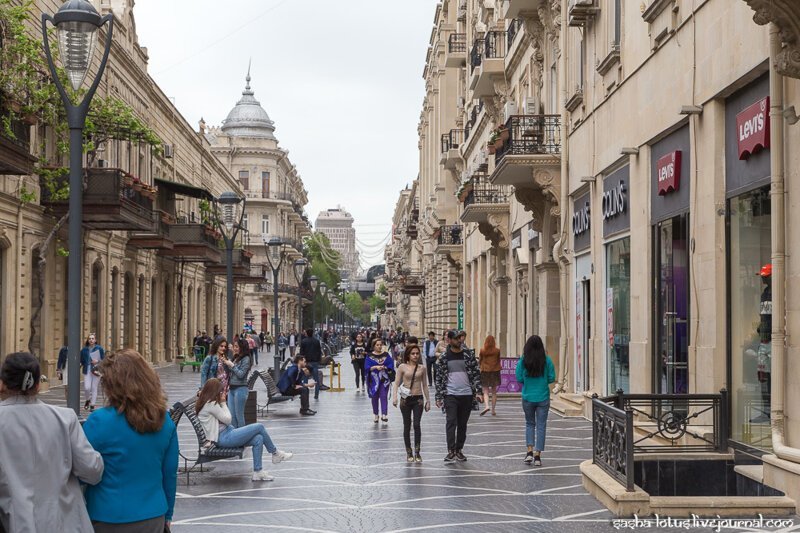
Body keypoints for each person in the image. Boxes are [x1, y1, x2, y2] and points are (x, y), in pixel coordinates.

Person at [0, 352, 103, 532]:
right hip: (66, 523)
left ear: (2, 383)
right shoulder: (65, 418)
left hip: (16, 523)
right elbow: (91, 470)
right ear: (38, 384)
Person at [83, 349, 179, 532]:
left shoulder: (99, 421)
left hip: (108, 515)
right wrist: (168, 515)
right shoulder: (164, 421)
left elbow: (81, 470)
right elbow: (170, 474)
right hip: (153, 515)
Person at [197, 378, 293, 481]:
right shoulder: (211, 404)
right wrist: (224, 403)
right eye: (220, 391)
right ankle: (276, 453)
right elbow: (228, 419)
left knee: (258, 438)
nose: (221, 393)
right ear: (214, 391)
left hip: (226, 433)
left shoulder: (207, 402)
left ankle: (258, 472)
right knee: (259, 427)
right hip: (224, 437)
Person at [435, 330, 483, 463]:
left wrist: (478, 391)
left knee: (462, 424)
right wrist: (438, 397)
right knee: (451, 422)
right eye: (456, 339)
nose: (459, 340)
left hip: (466, 394)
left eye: (459, 338)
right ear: (449, 340)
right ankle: (451, 451)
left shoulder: (468, 355)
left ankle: (459, 450)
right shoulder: (444, 357)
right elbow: (439, 378)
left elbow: (475, 373)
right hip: (450, 394)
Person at [516, 335, 555, 466]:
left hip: (528, 396)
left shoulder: (523, 361)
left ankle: (529, 451)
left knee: (529, 424)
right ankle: (538, 455)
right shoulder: (547, 360)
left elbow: (519, 378)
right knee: (541, 426)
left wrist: (528, 381)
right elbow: (551, 378)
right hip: (543, 396)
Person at [393, 344, 430, 462]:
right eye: (413, 353)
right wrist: (395, 397)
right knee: (407, 425)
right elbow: (396, 383)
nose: (415, 355)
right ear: (408, 355)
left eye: (417, 353)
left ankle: (417, 452)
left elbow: (425, 385)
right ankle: (409, 452)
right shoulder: (402, 367)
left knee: (417, 424)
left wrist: (428, 400)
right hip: (405, 400)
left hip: (418, 399)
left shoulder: (422, 368)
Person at [365, 339, 394, 423]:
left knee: (384, 395)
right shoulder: (369, 356)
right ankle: (376, 414)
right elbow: (366, 367)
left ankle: (384, 414)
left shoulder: (386, 355)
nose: (379, 346)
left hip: (384, 379)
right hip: (373, 380)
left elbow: (390, 364)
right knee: (374, 397)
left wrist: (385, 367)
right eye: (377, 345)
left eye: (380, 345)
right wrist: (375, 367)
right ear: (374, 346)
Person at [227, 338, 253, 428]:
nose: (234, 348)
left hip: (240, 389)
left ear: (242, 347)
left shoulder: (246, 359)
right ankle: (235, 437)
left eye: (236, 346)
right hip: (232, 389)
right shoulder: (237, 357)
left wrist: (232, 365)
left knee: (239, 416)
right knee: (232, 416)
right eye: (234, 346)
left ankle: (242, 438)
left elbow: (241, 374)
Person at [81, 332, 105, 411]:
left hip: (96, 369)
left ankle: (92, 405)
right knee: (87, 387)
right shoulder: (84, 349)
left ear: (95, 340)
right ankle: (88, 399)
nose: (91, 340)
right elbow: (81, 360)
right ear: (88, 340)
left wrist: (97, 360)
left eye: (92, 338)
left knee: (94, 387)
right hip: (87, 369)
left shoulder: (99, 348)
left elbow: (104, 360)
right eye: (89, 339)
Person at [479, 335, 502, 416]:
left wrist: (481, 367)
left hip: (485, 371)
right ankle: (493, 410)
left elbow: (480, 360)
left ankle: (486, 406)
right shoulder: (497, 350)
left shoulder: (482, 350)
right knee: (494, 392)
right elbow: (499, 360)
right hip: (495, 371)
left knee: (485, 391)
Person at [299, 328, 323, 400]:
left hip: (307, 363)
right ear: (312, 333)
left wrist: (302, 362)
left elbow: (301, 353)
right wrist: (318, 360)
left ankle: (304, 393)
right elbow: (319, 352)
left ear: (306, 333)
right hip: (315, 363)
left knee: (305, 379)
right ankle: (316, 395)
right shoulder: (316, 341)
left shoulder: (303, 341)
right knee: (316, 380)